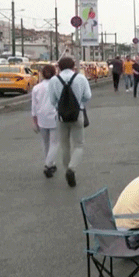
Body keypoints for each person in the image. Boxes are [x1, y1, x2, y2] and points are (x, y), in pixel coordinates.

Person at [49, 56, 92, 187]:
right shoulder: (80, 78)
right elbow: (88, 96)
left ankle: (67, 168)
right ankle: (71, 169)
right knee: (79, 144)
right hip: (77, 114)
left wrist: (60, 107)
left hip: (61, 116)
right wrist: (80, 104)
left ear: (59, 67)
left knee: (65, 145)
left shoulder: (54, 80)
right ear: (74, 66)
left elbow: (52, 100)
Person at [30, 64, 59, 178]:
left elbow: (34, 106)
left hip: (41, 117)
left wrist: (34, 120)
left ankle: (50, 163)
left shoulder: (37, 88)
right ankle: (48, 164)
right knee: (54, 143)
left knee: (45, 142)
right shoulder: (57, 86)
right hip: (54, 116)